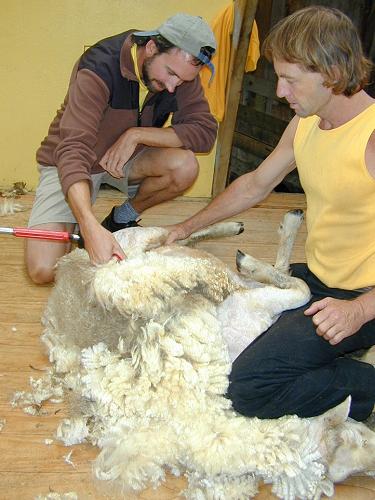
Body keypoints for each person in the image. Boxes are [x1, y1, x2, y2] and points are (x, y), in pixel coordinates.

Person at [166, 6, 375, 421]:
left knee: (247, 390)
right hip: (316, 278)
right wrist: (185, 227)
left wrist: (359, 311)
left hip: (359, 298)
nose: (280, 92)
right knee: (218, 335)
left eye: (290, 80)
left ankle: (365, 386)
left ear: (331, 71)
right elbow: (256, 184)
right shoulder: (307, 123)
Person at [26, 13, 217, 284]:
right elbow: (72, 148)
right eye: (171, 74)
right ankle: (86, 227)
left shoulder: (181, 72)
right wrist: (88, 225)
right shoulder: (99, 65)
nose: (174, 88)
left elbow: (205, 133)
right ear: (151, 48)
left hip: (124, 160)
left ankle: (119, 221)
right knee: (43, 270)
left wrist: (136, 134)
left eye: (182, 81)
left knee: (185, 166)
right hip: (73, 161)